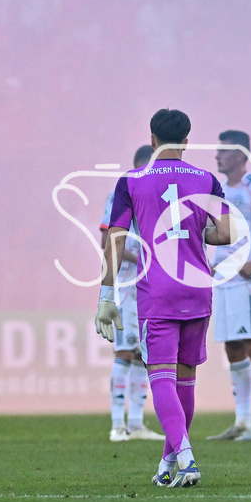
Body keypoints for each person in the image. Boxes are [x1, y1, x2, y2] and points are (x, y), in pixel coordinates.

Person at [96, 108, 233, 489]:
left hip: (157, 290)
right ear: (187, 140)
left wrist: (107, 293)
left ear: (152, 139)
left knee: (160, 375)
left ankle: (186, 459)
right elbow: (226, 233)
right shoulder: (206, 179)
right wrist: (192, 233)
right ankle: (168, 462)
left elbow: (115, 237)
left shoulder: (133, 181)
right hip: (197, 285)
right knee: (186, 378)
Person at [206, 130, 251, 443]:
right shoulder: (217, 190)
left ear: (240, 155)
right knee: (232, 347)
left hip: (248, 281)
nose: (217, 155)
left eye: (223, 151)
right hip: (223, 280)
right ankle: (243, 421)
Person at [99, 144, 166, 443]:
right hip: (127, 284)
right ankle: (117, 425)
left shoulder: (159, 192)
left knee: (142, 354)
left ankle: (136, 423)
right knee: (124, 352)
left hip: (152, 286)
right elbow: (107, 240)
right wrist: (141, 259)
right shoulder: (122, 192)